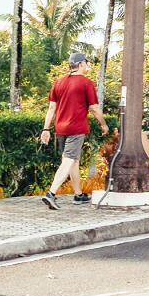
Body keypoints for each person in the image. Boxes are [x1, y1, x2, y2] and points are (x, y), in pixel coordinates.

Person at [41, 52, 103, 209]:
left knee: (73, 160)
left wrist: (46, 128)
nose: (87, 66)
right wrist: (103, 124)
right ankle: (51, 193)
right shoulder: (86, 83)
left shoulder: (59, 82)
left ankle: (78, 194)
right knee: (69, 160)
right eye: (86, 63)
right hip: (76, 128)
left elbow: (51, 107)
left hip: (60, 128)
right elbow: (94, 108)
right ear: (81, 64)